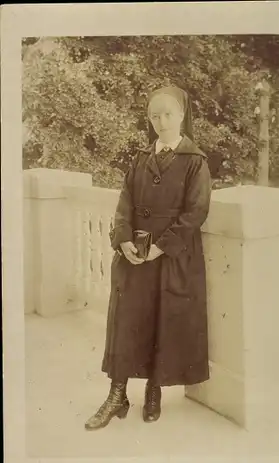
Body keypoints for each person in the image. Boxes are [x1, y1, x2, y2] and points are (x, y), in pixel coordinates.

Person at [85, 85, 212, 431]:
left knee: (163, 321)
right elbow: (124, 201)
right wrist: (123, 240)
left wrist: (161, 246)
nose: (161, 121)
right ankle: (117, 394)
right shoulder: (141, 157)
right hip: (134, 257)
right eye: (154, 115)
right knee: (126, 320)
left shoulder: (195, 161)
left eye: (168, 114)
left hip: (172, 258)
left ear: (182, 115)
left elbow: (196, 212)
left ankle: (154, 390)